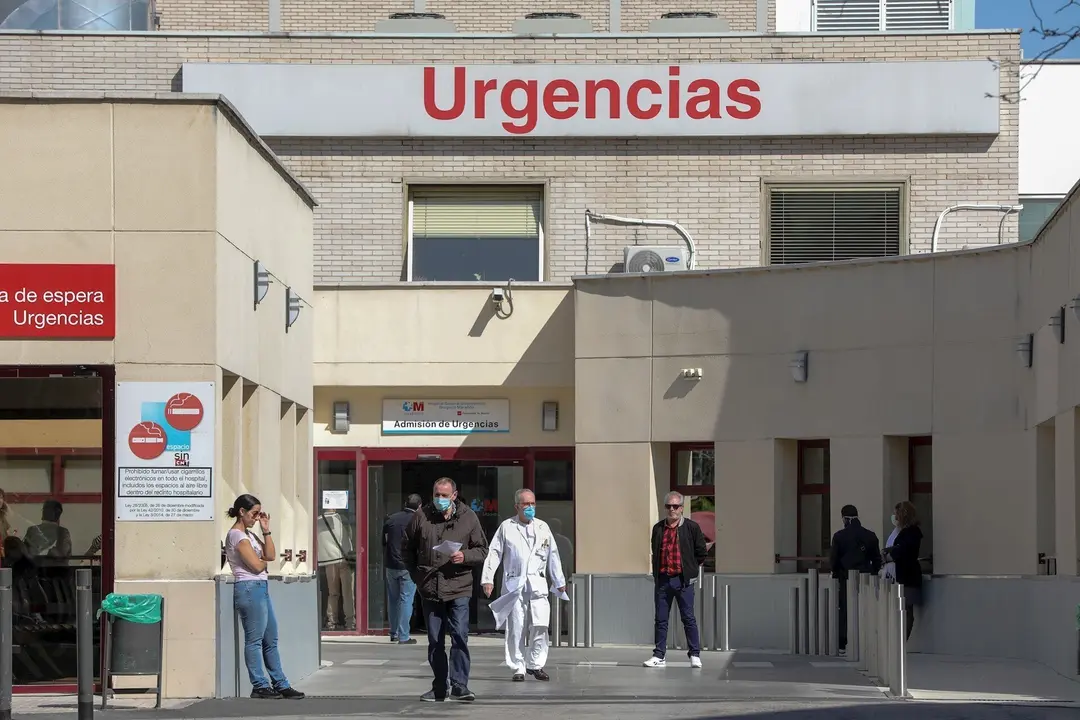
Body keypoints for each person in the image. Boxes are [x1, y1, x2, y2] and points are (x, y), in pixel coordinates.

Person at [403, 478, 489, 703]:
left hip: (459, 585)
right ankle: (440, 686)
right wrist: (417, 575)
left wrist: (465, 556)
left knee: (459, 635)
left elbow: (482, 550)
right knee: (435, 640)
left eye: (444, 495)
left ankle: (460, 685)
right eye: (436, 494)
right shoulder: (421, 516)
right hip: (430, 587)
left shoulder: (469, 517)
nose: (439, 499)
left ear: (454, 495)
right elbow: (406, 548)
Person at [224, 494, 305, 700]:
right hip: (249, 588)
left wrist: (266, 529)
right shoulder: (237, 535)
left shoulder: (250, 535)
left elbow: (269, 556)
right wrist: (260, 560)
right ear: (241, 512)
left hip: (261, 586)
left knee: (271, 638)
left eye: (259, 514)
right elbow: (257, 565)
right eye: (254, 514)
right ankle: (259, 684)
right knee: (255, 641)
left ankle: (281, 684)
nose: (256, 518)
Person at [481, 489, 566, 682]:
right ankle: (518, 666)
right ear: (516, 506)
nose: (529, 507)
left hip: (538, 584)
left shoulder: (543, 527)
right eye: (525, 504)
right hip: (515, 584)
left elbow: (553, 555)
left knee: (540, 625)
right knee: (516, 627)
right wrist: (488, 578)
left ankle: (535, 664)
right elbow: (494, 553)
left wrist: (559, 581)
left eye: (532, 504)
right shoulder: (507, 527)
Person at [643, 491, 708, 669]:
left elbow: (701, 551)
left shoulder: (691, 528)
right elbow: (655, 551)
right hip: (663, 580)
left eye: (675, 506)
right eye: (668, 506)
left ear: (681, 508)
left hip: (683, 581)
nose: (672, 510)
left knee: (688, 618)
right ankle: (659, 655)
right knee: (661, 619)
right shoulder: (658, 528)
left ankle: (694, 654)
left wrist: (691, 569)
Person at [828, 504, 882, 656]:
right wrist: (872, 573)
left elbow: (834, 560)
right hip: (866, 579)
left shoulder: (839, 536)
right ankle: (866, 643)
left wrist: (837, 574)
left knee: (845, 610)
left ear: (844, 518)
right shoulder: (870, 535)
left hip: (846, 578)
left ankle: (843, 643)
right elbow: (877, 559)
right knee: (866, 609)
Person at [383, 493, 422, 644]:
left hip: (391, 565)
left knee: (393, 599)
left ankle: (393, 633)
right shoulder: (418, 520)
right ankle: (404, 636)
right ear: (419, 506)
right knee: (406, 600)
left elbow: (384, 541)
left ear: (405, 503)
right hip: (408, 566)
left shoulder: (391, 519)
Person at [883, 500, 924, 641]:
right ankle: (898, 639)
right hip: (901, 575)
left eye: (896, 514)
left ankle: (901, 641)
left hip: (907, 576)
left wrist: (890, 555)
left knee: (906, 609)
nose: (894, 517)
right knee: (900, 609)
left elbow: (903, 551)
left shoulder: (911, 532)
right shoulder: (902, 532)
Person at [318, 507, 356, 631]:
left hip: (328, 560)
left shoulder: (318, 521)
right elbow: (350, 536)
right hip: (344, 559)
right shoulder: (341, 519)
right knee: (348, 593)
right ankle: (350, 622)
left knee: (333, 593)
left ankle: (331, 622)